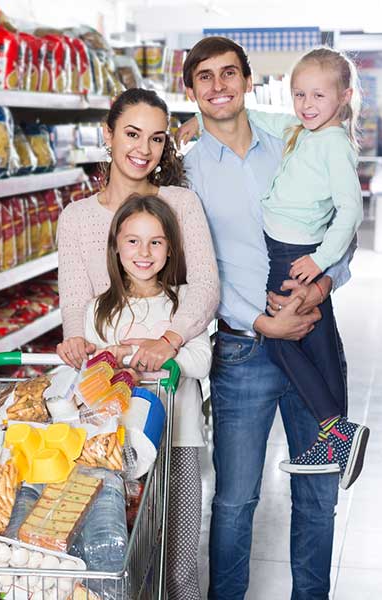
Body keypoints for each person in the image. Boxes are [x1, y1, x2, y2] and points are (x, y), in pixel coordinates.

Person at [179, 36, 356, 600]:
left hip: (307, 329)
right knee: (234, 501)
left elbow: (337, 224)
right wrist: (261, 322)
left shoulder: (296, 136)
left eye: (229, 73)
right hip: (244, 349)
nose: (218, 86)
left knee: (319, 493)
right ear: (192, 91)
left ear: (249, 80)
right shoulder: (186, 173)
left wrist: (327, 280)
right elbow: (201, 272)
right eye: (204, 77)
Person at [82, 194, 212, 600]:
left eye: (156, 242)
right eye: (133, 241)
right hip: (118, 454)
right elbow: (92, 377)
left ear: (170, 248)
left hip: (179, 445)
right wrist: (119, 357)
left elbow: (201, 359)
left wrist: (160, 348)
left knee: (180, 562)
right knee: (132, 560)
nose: (144, 252)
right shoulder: (99, 311)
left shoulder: (185, 301)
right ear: (115, 246)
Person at [56, 87, 219, 375]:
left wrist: (169, 341)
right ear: (108, 134)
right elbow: (74, 303)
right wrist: (76, 341)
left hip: (170, 373)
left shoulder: (181, 204)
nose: (144, 150)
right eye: (132, 134)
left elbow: (205, 286)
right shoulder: (76, 217)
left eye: (155, 139)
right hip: (106, 377)